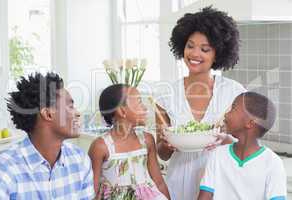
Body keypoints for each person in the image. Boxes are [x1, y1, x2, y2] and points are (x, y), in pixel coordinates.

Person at [154, 6, 246, 199]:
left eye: (205, 49)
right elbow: (162, 154)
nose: (195, 54)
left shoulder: (234, 93)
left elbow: (246, 144)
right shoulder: (165, 95)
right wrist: (165, 145)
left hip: (221, 182)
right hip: (177, 182)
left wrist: (226, 140)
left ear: (218, 54)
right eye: (190, 45)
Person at [0, 72, 95, 199]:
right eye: (70, 106)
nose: (77, 113)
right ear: (48, 114)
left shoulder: (80, 160)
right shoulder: (1, 170)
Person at [198, 92, 287, 200]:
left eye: (233, 108)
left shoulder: (272, 163)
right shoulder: (217, 155)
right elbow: (204, 197)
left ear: (249, 123)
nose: (226, 114)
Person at [88, 84, 170, 200]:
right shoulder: (100, 146)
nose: (145, 108)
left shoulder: (147, 140)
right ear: (122, 111)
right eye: (139, 102)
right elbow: (93, 191)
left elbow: (159, 182)